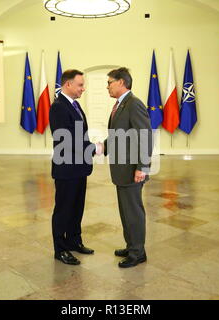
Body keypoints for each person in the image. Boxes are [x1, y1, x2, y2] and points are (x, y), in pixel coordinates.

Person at [99, 67, 153, 268]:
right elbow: (117, 136)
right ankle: (132, 246)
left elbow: (145, 136)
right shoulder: (120, 105)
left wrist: (142, 167)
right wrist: (100, 147)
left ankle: (138, 253)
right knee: (125, 210)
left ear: (121, 82)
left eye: (109, 82)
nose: (107, 86)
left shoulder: (134, 104)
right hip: (122, 169)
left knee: (133, 211)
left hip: (132, 169)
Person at [49, 69, 97, 265]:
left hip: (79, 167)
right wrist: (94, 148)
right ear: (68, 84)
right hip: (66, 168)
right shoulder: (59, 107)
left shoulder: (74, 105)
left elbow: (79, 134)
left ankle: (74, 241)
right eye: (80, 85)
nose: (83, 88)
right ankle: (60, 249)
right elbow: (66, 139)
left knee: (77, 207)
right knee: (63, 210)